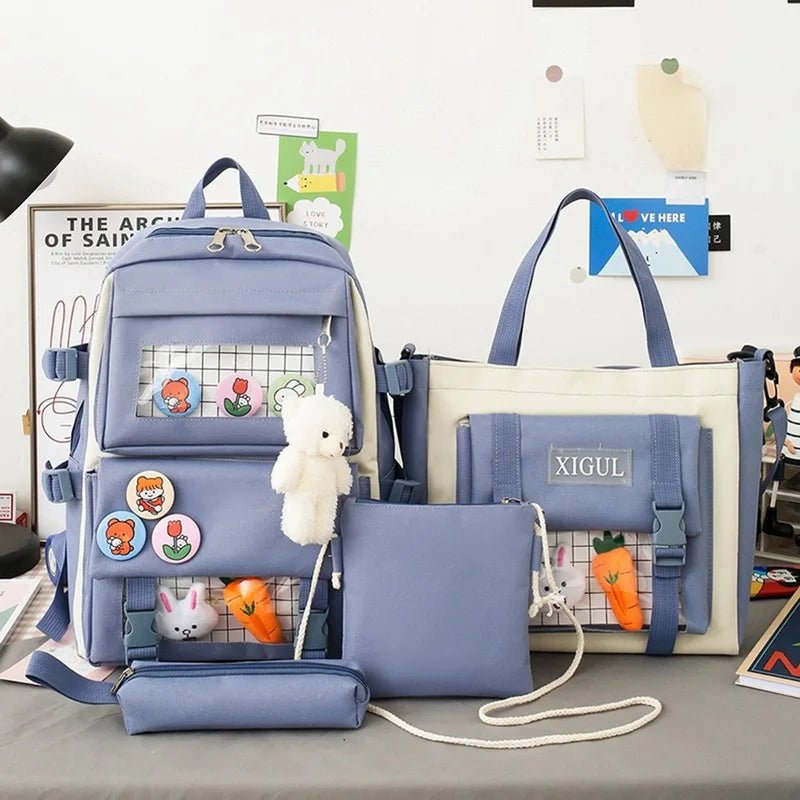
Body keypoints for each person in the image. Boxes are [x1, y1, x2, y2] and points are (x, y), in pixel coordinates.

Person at [763, 346, 800, 542]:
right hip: (786, 452)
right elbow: (781, 426)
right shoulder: (792, 403)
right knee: (776, 482)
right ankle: (770, 517)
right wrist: (783, 439)